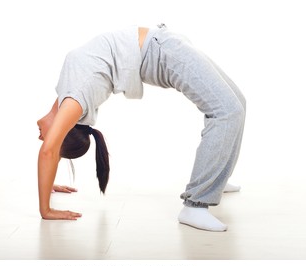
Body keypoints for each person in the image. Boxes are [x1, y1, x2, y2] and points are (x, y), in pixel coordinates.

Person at [36, 24, 246, 232]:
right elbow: (50, 150)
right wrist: (45, 210)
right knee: (227, 111)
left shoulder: (68, 97)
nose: (41, 138)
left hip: (162, 45)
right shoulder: (74, 100)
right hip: (162, 53)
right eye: (48, 138)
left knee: (237, 102)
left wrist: (50, 180)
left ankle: (215, 177)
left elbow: (54, 148)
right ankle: (196, 204)